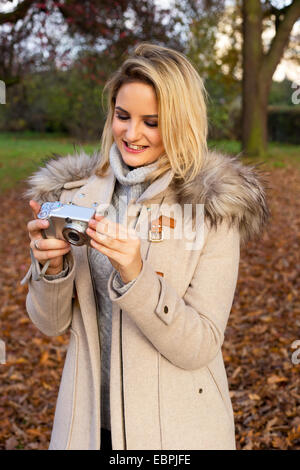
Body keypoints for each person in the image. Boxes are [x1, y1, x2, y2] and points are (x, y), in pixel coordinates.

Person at [21, 42, 269, 450]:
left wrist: (137, 276)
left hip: (174, 435)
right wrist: (51, 268)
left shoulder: (212, 208)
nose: (131, 134)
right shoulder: (74, 196)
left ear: (180, 122)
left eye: (151, 122)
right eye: (123, 116)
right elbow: (50, 324)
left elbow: (200, 345)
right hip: (86, 428)